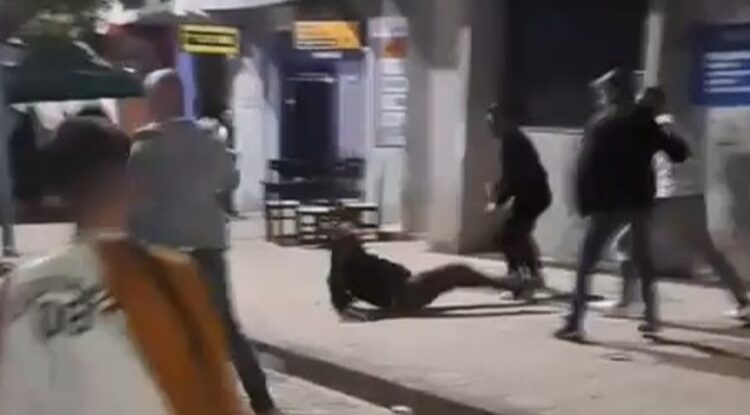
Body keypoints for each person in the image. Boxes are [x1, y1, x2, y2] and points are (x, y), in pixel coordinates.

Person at [0, 118, 243, 415]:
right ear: (130, 186)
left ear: (58, 194)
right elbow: (219, 393)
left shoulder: (19, 290)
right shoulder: (174, 278)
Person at [129, 69, 280, 415]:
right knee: (226, 327)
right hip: (206, 243)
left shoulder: (143, 146)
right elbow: (229, 179)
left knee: (165, 327)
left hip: (162, 249)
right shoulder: (209, 137)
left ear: (156, 101)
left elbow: (134, 199)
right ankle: (262, 402)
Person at [555, 68, 690, 342]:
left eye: (604, 90)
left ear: (614, 92)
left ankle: (575, 321)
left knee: (588, 262)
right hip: (633, 201)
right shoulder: (638, 122)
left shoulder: (605, 123)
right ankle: (649, 318)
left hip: (610, 205)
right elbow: (679, 152)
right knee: (640, 259)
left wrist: (584, 201)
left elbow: (585, 165)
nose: (601, 95)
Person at [609, 87, 750, 321]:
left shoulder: (656, 128)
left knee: (625, 244)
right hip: (693, 196)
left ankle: (626, 302)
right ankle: (742, 300)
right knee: (708, 251)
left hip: (669, 197)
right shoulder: (679, 126)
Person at [327, 224, 523, 319]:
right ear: (343, 246)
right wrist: (358, 314)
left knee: (457, 275)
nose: (359, 242)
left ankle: (509, 283)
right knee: (457, 271)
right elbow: (342, 305)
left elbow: (342, 303)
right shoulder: (342, 271)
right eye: (353, 240)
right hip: (404, 294)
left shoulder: (354, 261)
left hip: (406, 289)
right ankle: (510, 283)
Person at [485, 103, 552, 295]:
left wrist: (497, 200)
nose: (490, 127)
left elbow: (514, 178)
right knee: (517, 234)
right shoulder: (513, 139)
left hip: (532, 196)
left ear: (504, 121)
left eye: (493, 122)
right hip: (534, 195)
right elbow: (511, 176)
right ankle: (532, 275)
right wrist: (500, 192)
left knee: (506, 237)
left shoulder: (513, 142)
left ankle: (520, 280)